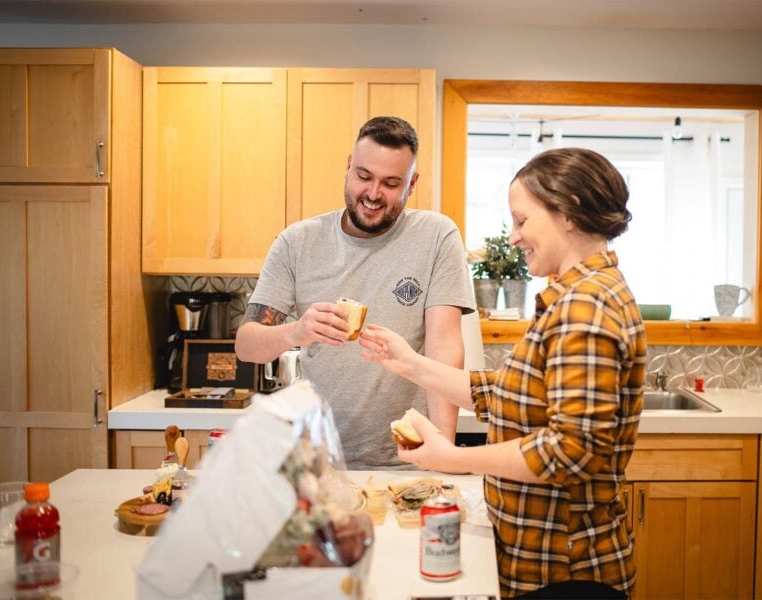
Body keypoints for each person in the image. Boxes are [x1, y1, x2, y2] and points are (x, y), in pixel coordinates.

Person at [359, 147, 646, 598]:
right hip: (543, 559)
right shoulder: (577, 295)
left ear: (569, 212)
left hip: (565, 568)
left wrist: (451, 459)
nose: (513, 237)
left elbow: (571, 451)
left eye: (522, 220)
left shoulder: (585, 307)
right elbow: (514, 395)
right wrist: (409, 363)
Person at [236, 116, 475, 470]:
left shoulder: (437, 236)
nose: (374, 194)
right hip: (321, 465)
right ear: (348, 167)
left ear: (412, 183)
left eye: (391, 183)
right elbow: (246, 346)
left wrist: (443, 455)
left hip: (410, 462)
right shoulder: (297, 242)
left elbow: (444, 348)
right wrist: (296, 331)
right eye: (364, 176)